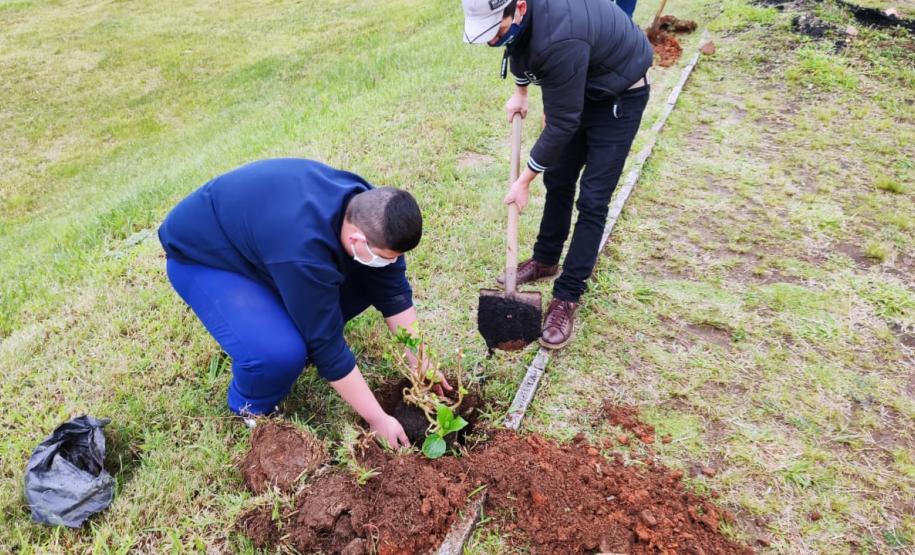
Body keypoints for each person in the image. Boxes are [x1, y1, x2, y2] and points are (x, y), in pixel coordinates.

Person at [158, 158, 446, 448]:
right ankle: (250, 406)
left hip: (262, 242)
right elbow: (327, 347)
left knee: (368, 277)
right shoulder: (303, 253)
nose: (393, 262)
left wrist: (422, 363)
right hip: (204, 258)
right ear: (358, 238)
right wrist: (377, 419)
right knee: (281, 353)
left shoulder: (372, 210)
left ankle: (286, 316)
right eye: (388, 255)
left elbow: (393, 291)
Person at [462, 0, 653, 349]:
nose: (493, 40)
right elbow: (517, 47)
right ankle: (546, 259)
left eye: (497, 30)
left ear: (518, 8)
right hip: (581, 76)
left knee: (593, 198)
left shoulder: (560, 38)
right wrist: (520, 93)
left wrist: (523, 181)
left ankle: (567, 296)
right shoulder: (523, 20)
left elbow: (564, 122)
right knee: (559, 178)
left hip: (619, 94)